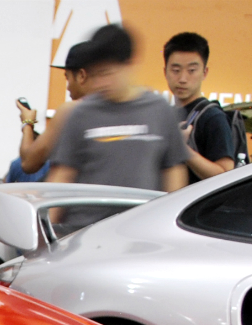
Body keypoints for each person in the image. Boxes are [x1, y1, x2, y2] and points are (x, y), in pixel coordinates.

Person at [47, 24, 188, 231]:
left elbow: (173, 170)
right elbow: (63, 174)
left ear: (129, 64)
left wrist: (170, 224)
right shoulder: (81, 114)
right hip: (84, 231)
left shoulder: (159, 111)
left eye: (107, 73)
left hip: (140, 231)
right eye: (95, 74)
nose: (100, 83)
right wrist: (47, 230)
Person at [12, 41, 95, 181]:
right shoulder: (125, 110)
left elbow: (28, 163)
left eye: (68, 78)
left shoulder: (71, 112)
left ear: (81, 76)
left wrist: (27, 123)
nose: (68, 87)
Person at [165, 32, 235, 183]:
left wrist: (183, 149)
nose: (182, 79)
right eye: (176, 70)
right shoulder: (164, 115)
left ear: (204, 73)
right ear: (165, 72)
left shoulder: (213, 117)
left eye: (191, 70)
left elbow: (226, 176)